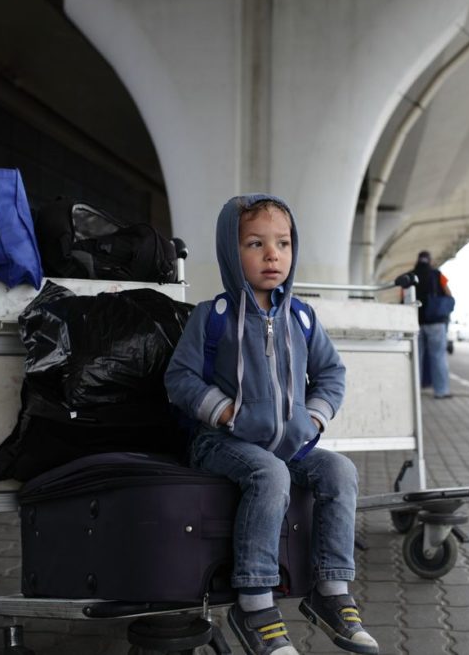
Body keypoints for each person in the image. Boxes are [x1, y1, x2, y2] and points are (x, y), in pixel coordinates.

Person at [165, 194, 378, 655]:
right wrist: (224, 411)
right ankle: (255, 602)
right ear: (230, 251)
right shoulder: (213, 317)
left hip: (287, 444)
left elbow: (331, 374)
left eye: (282, 243)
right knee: (269, 474)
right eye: (255, 243)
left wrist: (314, 416)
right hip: (220, 442)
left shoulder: (300, 318)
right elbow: (179, 378)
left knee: (339, 472)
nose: (271, 254)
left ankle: (332, 592)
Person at [412, 250, 452, 399]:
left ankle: (414, 389)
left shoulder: (411, 275)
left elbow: (403, 298)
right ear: (430, 260)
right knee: (438, 357)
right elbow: (449, 294)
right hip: (436, 323)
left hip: (415, 323)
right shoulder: (437, 275)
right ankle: (441, 391)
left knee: (416, 357)